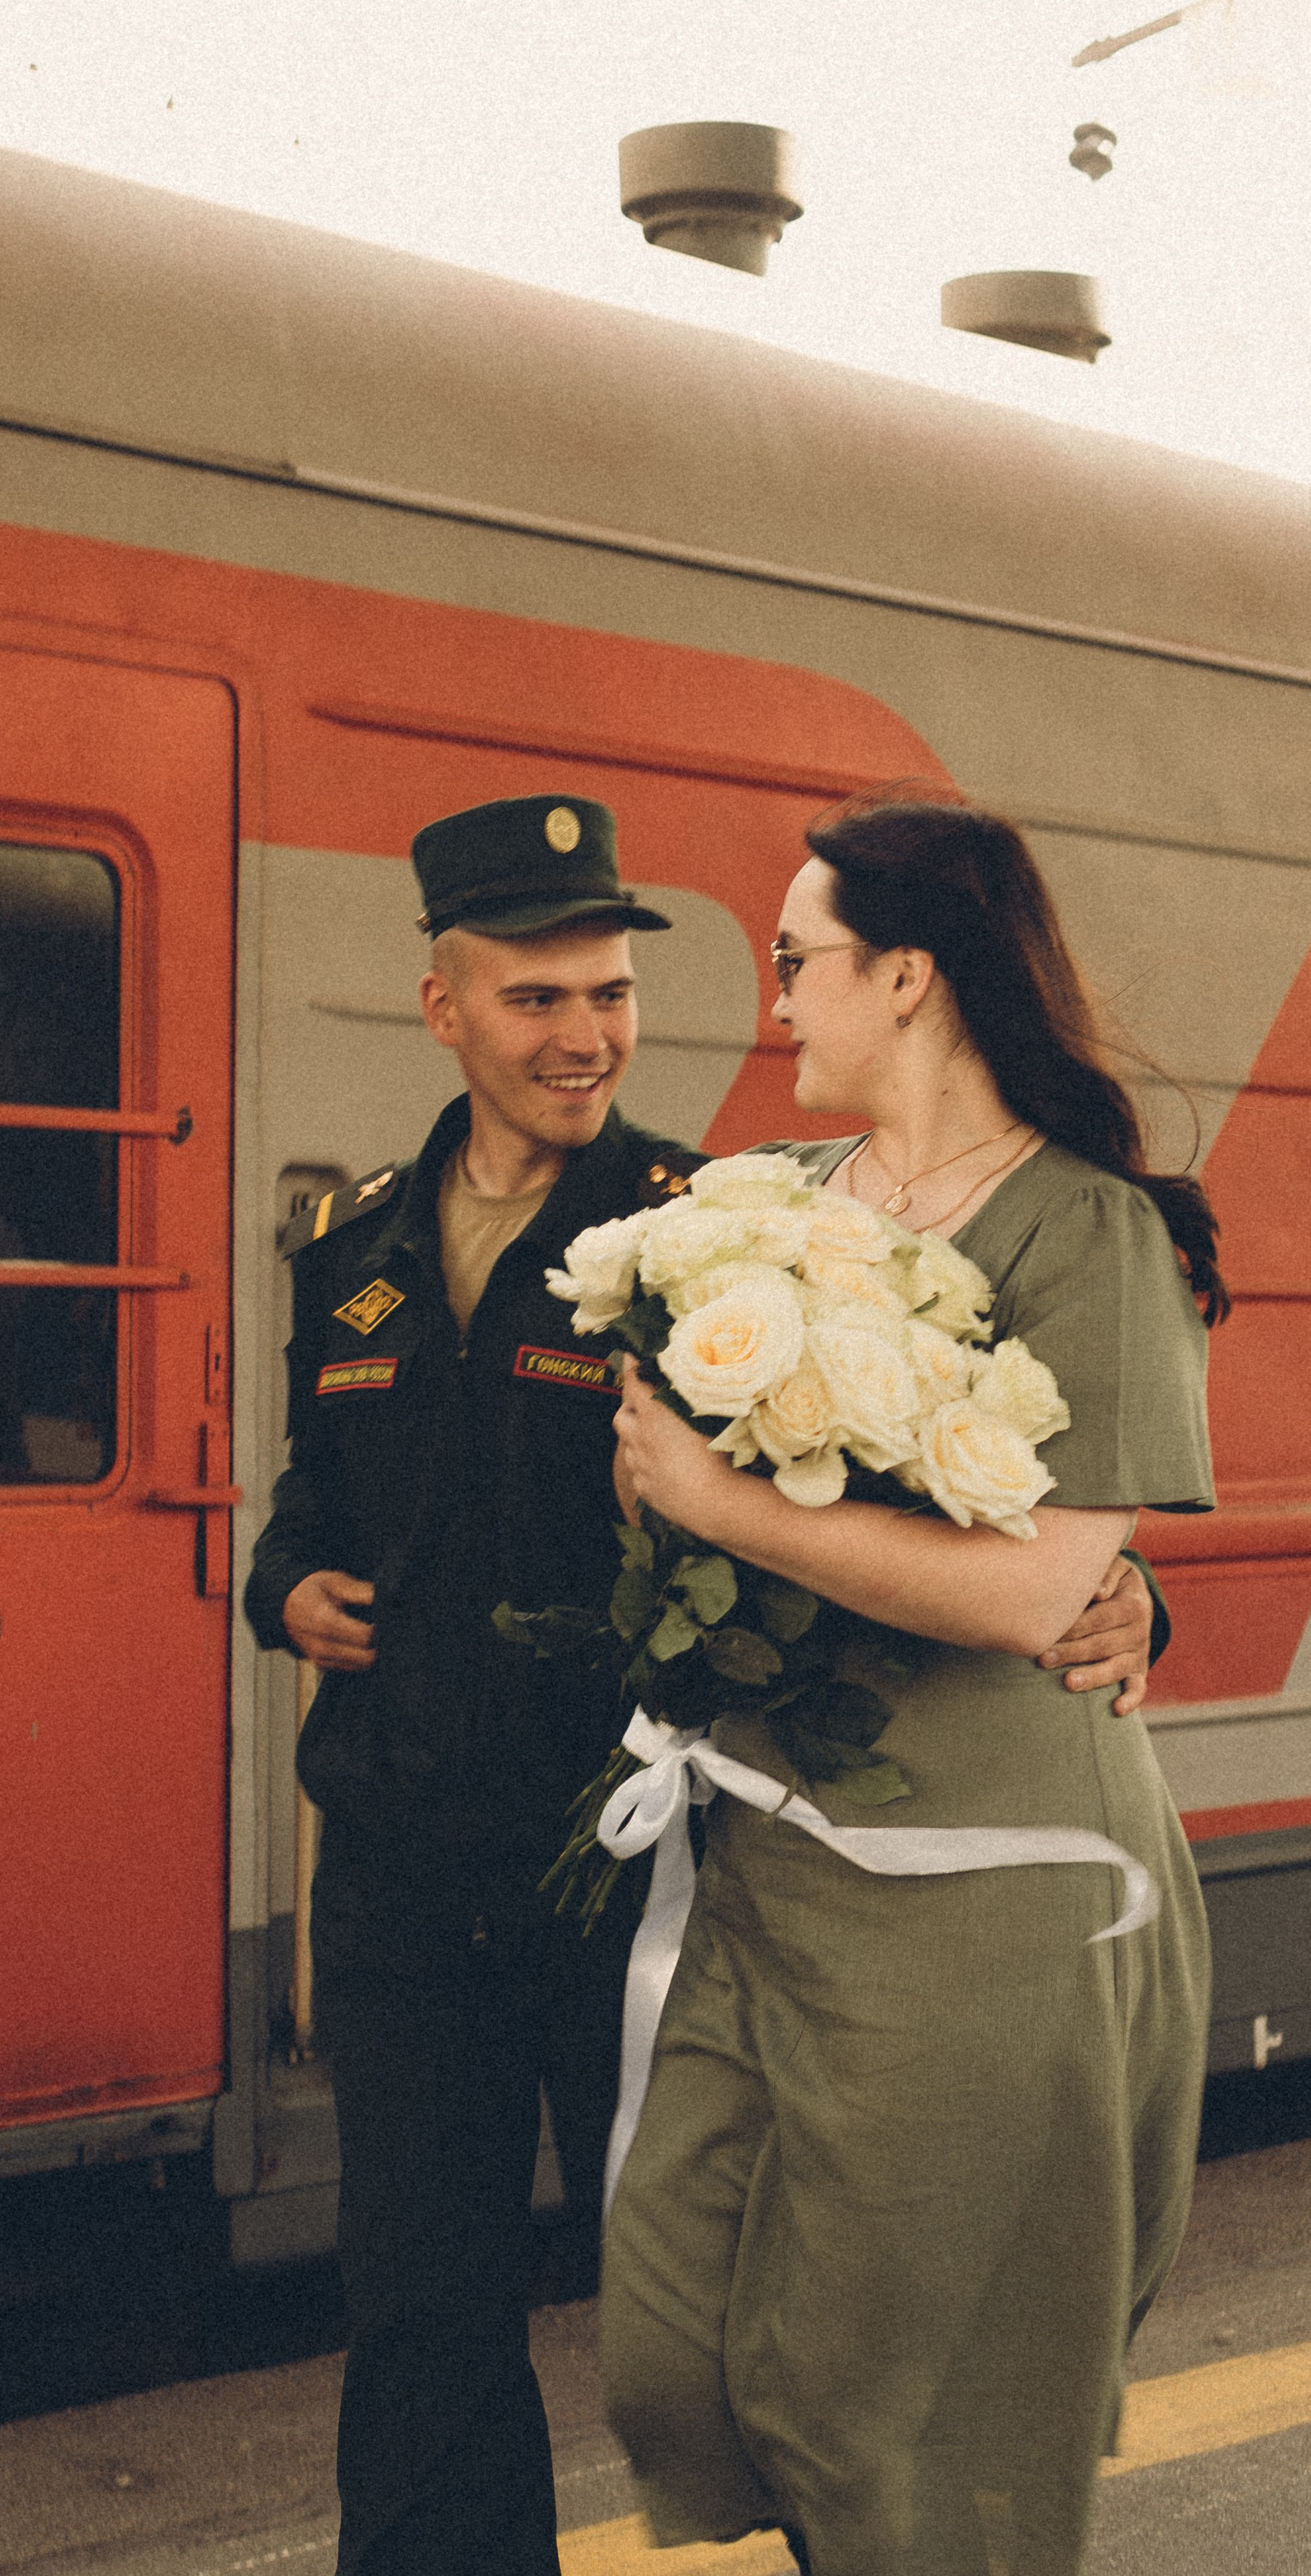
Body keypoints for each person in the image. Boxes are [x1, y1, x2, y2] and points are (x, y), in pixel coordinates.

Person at [243, 794, 1161, 2576]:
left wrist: (1119, 1598)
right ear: (446, 1005)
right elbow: (312, 1495)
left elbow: (912, 1493)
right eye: (539, 999)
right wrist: (287, 1587)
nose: (586, 1036)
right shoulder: (351, 1249)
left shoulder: (706, 1240)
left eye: (610, 995)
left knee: (736, 2317)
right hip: (407, 1871)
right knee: (419, 2317)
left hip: (635, 1874)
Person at [599, 797, 1224, 2576]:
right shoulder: (766, 1211)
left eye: (797, 959)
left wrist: (729, 1507)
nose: (776, 994)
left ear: (910, 975)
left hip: (992, 1883)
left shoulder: (1090, 1232)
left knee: (898, 2411)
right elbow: (646, 1467)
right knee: (676, 2340)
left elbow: (1037, 1590)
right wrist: (679, 1513)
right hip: (779, 1860)